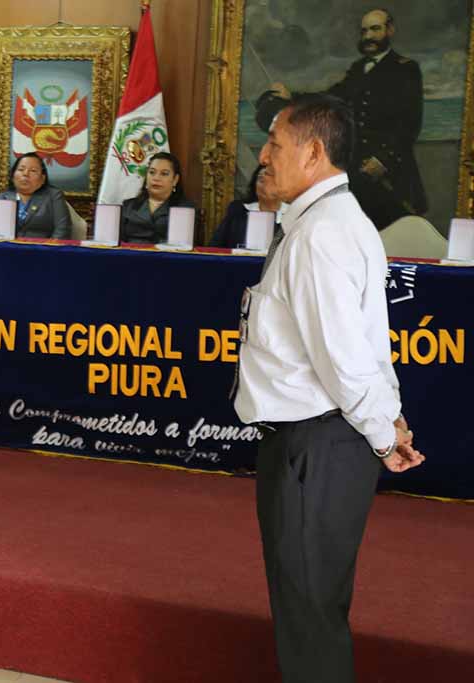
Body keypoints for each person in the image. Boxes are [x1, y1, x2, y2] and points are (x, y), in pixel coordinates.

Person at [233, 94, 425, 683]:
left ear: (314, 153)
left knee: (309, 615)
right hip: (322, 442)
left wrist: (380, 434)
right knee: (311, 608)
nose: (263, 156)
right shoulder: (332, 222)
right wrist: (387, 422)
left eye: (276, 144)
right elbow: (371, 341)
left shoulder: (321, 235)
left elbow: (343, 358)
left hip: (314, 448)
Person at [256, 9, 425, 229]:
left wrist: (382, 160)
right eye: (364, 31)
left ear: (389, 30)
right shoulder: (358, 69)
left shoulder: (405, 69)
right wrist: (292, 96)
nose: (368, 36)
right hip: (359, 171)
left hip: (391, 171)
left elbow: (410, 124)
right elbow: (332, 97)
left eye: (375, 29)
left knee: (396, 232)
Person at [0, 152, 72, 239]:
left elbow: (62, 230)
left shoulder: (53, 196)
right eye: (21, 169)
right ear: (13, 176)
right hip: (6, 249)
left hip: (42, 250)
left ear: (42, 179)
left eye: (33, 171)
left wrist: (49, 249)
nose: (25, 174)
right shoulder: (1, 199)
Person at [118, 152, 195, 244]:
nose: (156, 178)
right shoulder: (128, 206)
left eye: (164, 174)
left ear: (175, 179)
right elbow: (119, 243)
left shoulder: (185, 209)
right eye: (152, 172)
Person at [208, 165, 286, 248]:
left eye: (271, 180)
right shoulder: (237, 210)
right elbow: (215, 246)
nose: (264, 186)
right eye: (261, 179)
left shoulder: (294, 214)